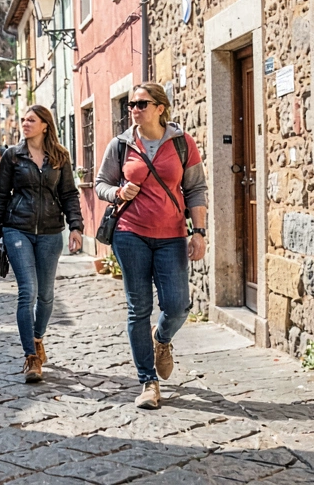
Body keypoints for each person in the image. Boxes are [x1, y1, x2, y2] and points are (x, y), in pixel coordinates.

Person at [95, 82, 208, 410]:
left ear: (160, 107)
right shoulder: (120, 145)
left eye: (142, 103)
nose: (134, 109)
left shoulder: (183, 143)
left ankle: (162, 339)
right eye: (131, 104)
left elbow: (196, 188)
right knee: (138, 308)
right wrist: (117, 193)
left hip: (171, 235)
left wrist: (198, 232)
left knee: (176, 304)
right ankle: (148, 382)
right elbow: (101, 183)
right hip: (130, 234)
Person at [0, 105, 84, 383]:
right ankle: (31, 356)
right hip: (18, 229)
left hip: (52, 232)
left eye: (31, 120)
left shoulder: (60, 157)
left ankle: (38, 337)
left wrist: (76, 226)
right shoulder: (12, 157)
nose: (25, 124)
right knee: (27, 291)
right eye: (23, 120)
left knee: (47, 295)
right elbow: (1, 196)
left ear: (45, 125)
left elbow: (69, 194)